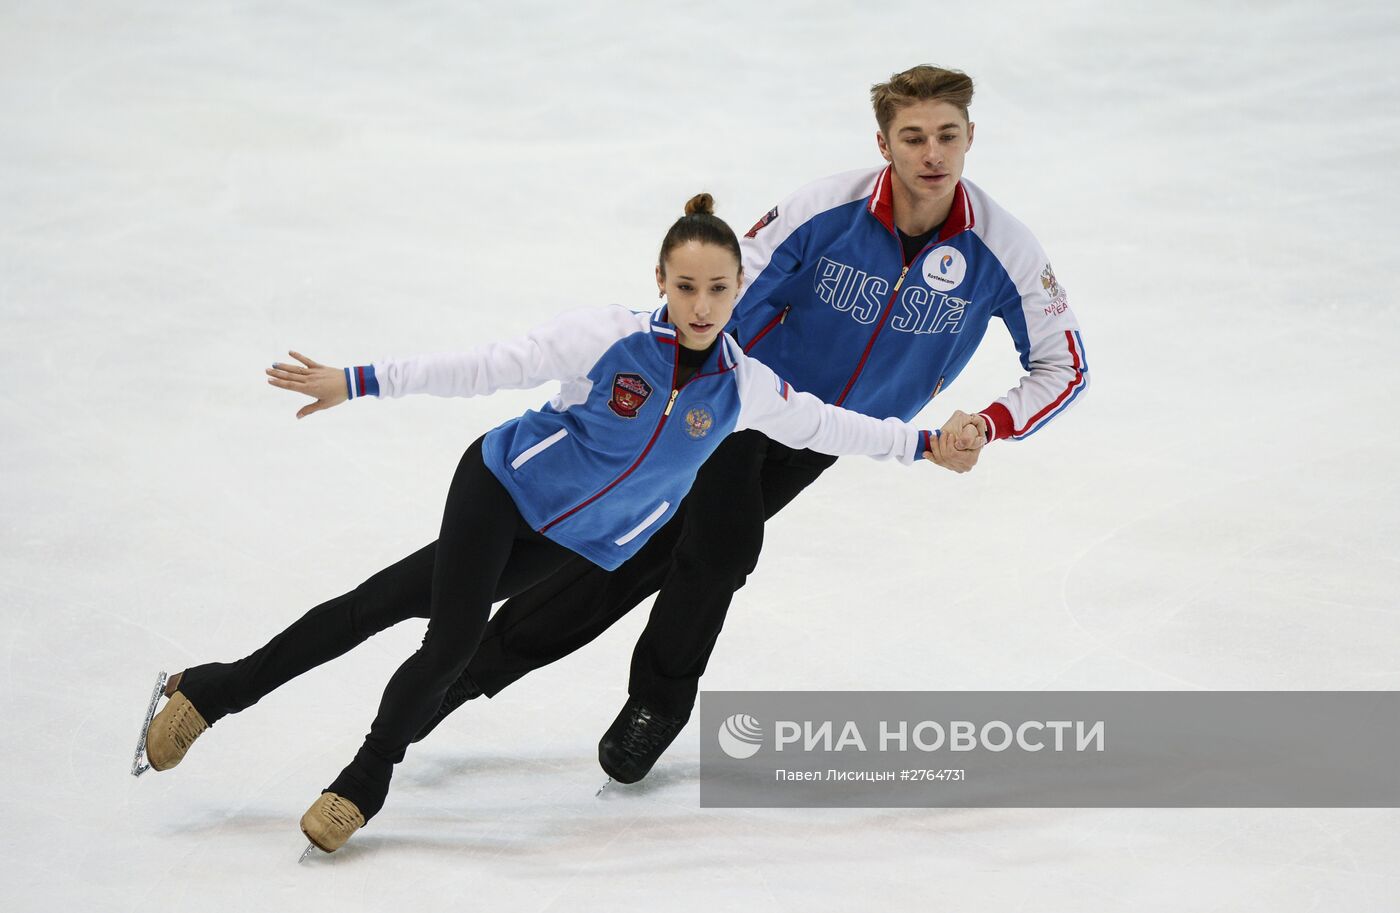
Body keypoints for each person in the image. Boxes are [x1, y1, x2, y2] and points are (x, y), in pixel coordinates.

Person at [140, 194, 965, 854]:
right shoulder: (604, 337)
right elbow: (483, 367)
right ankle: (363, 780)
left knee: (376, 605)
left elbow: (834, 426)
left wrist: (926, 443)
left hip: (566, 542)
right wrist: (356, 379)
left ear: (739, 291)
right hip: (499, 490)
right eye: (685, 288)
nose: (702, 305)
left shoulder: (746, 388)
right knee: (453, 640)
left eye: (719, 290)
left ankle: (211, 688)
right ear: (661, 280)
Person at [418, 64, 1090, 784]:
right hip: (737, 404)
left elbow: (1064, 365)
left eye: (947, 136)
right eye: (914, 137)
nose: (932, 154)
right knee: (716, 547)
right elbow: (724, 292)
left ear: (970, 137)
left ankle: (472, 671)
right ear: (884, 142)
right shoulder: (825, 208)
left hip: (829, 434)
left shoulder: (1002, 248)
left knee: (647, 550)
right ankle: (648, 701)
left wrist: (988, 422)